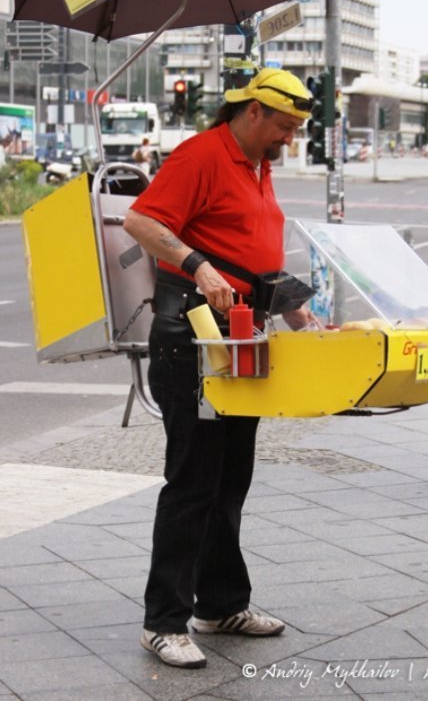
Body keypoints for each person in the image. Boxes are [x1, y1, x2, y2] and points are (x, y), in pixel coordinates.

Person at [123, 68, 318, 669]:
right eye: (283, 126)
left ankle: (221, 604)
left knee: (231, 480)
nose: (289, 139)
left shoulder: (259, 165)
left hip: (241, 336)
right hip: (192, 340)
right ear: (253, 110)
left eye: (295, 129)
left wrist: (295, 310)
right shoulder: (201, 155)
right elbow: (141, 221)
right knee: (193, 482)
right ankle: (163, 622)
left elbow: (251, 253)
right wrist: (199, 266)